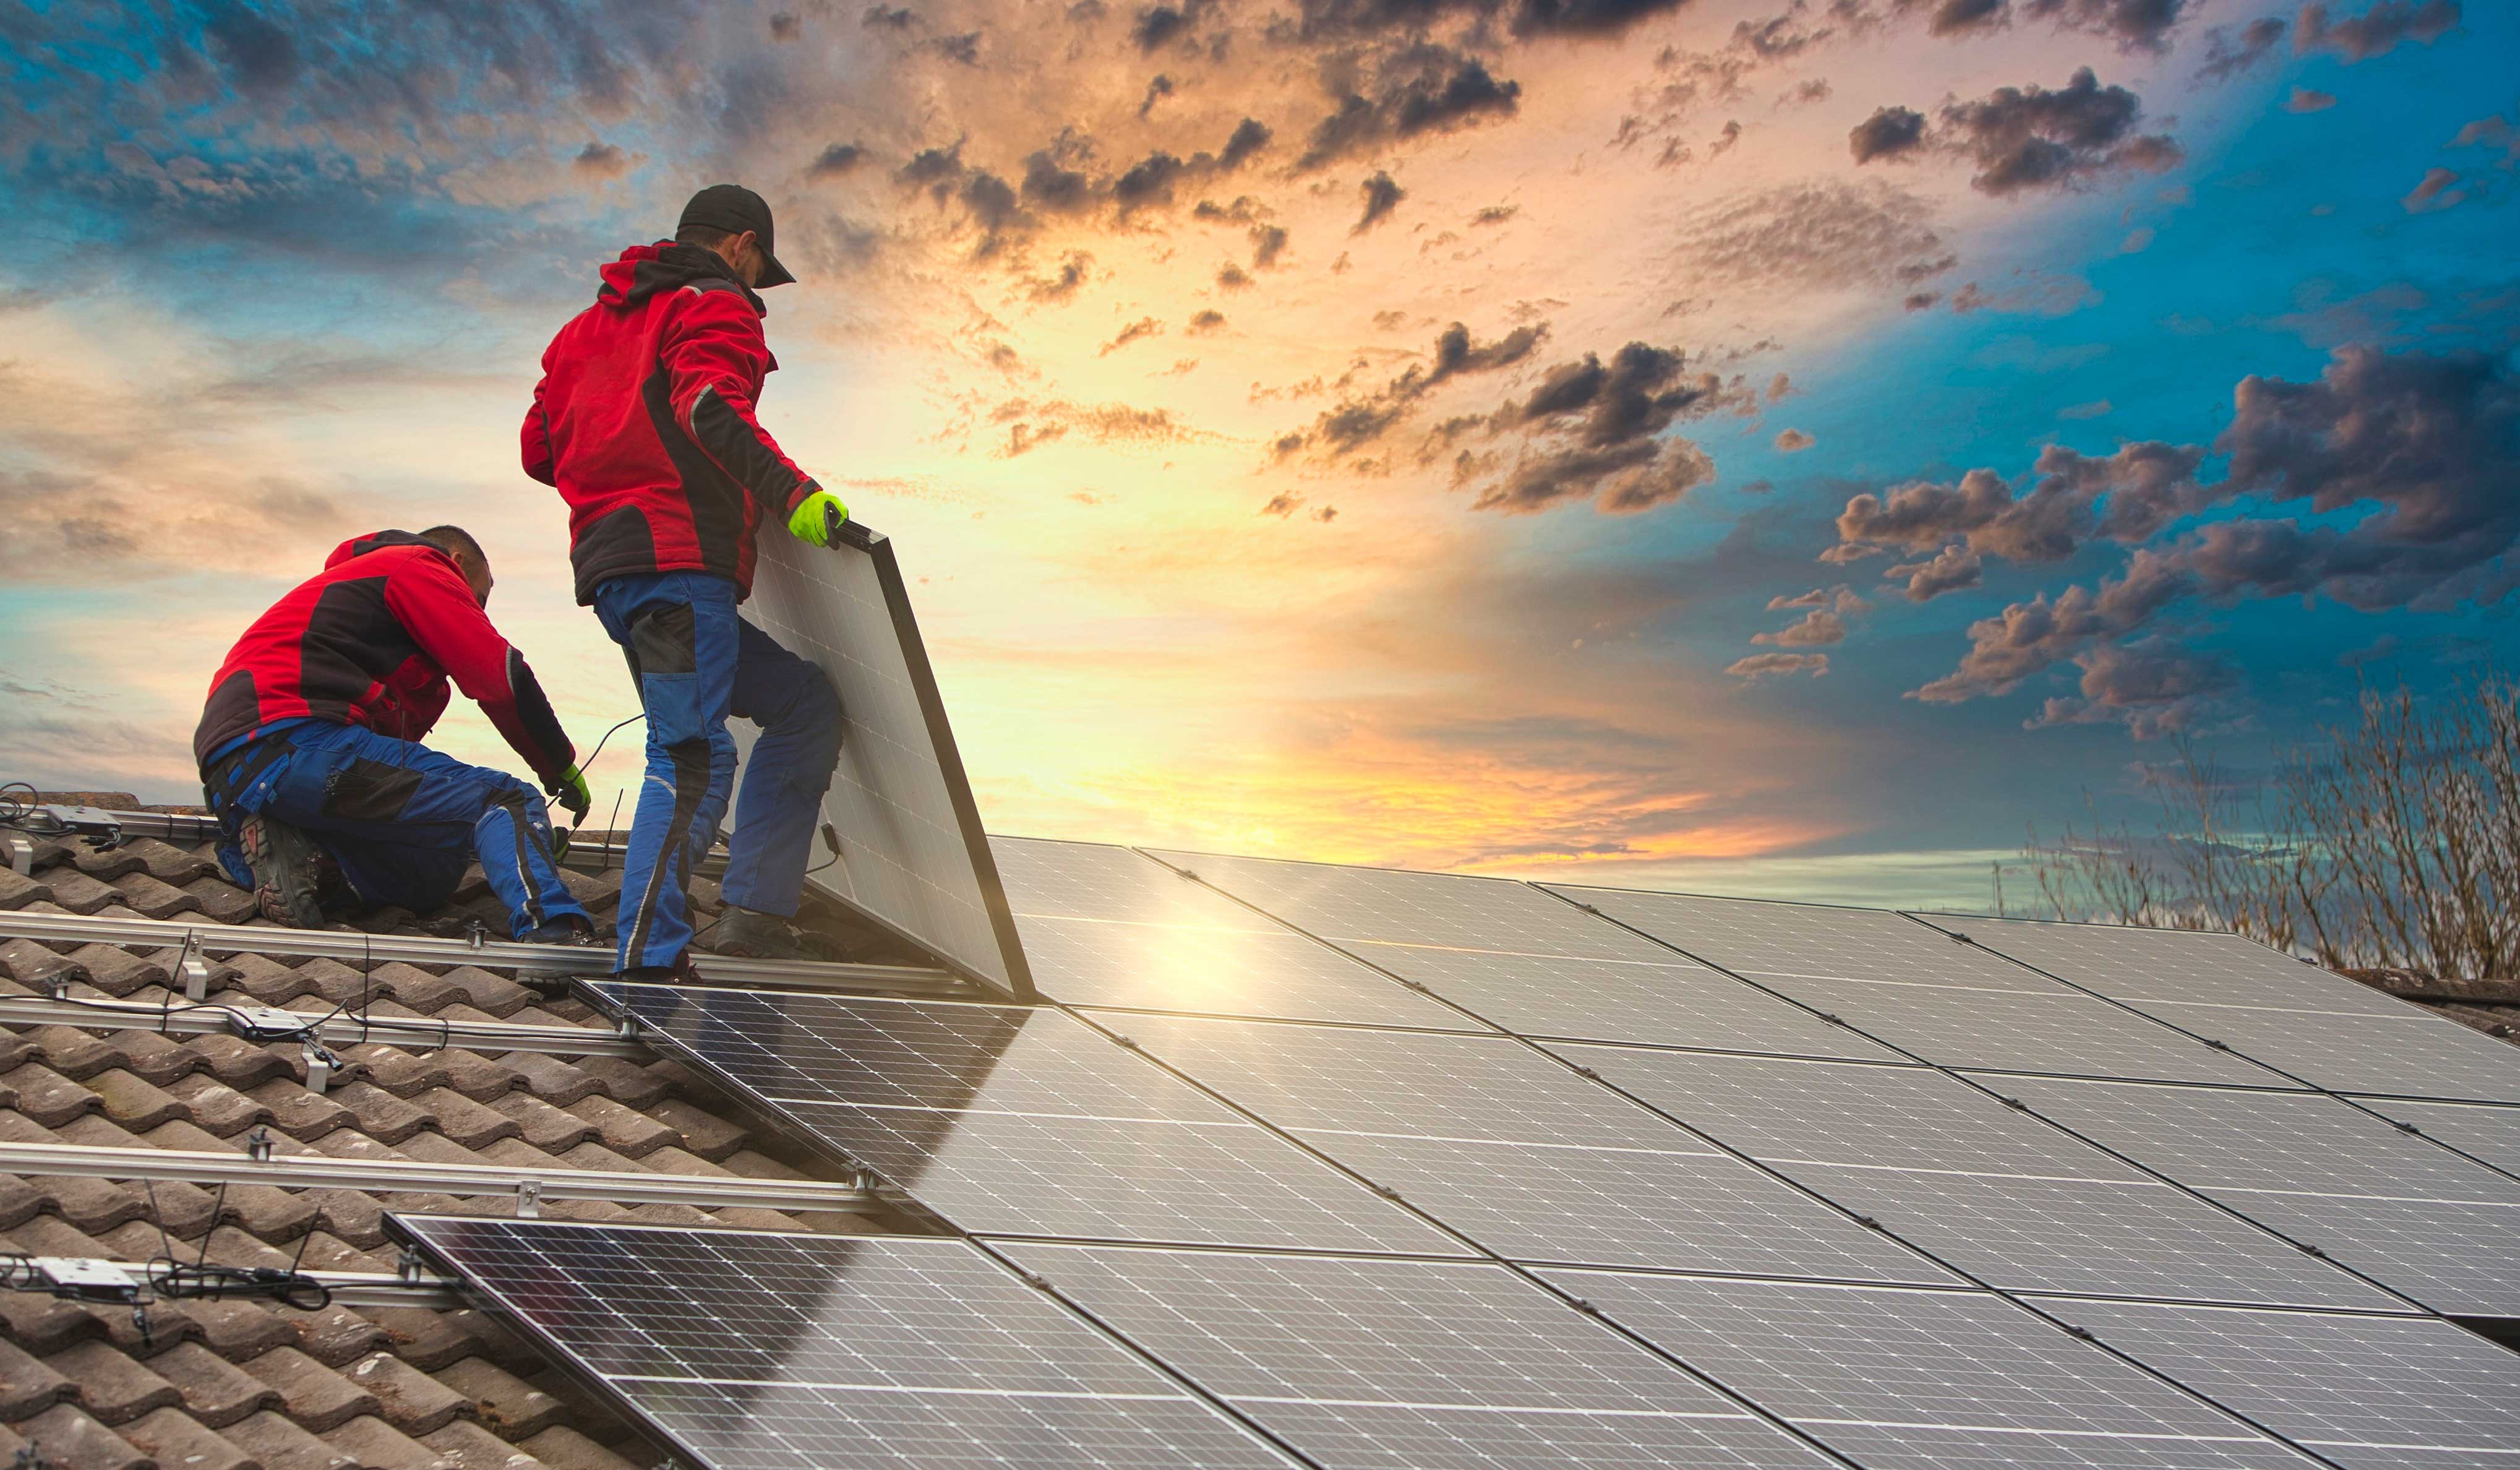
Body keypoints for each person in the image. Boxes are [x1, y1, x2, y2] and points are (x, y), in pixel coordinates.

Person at [522, 183, 848, 979]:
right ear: (742, 246)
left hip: (616, 574)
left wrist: (619, 452)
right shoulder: (715, 301)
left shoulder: (582, 331)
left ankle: (756, 915)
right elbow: (709, 405)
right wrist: (794, 496)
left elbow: (540, 449)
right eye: (759, 267)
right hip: (677, 563)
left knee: (804, 703)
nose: (756, 284)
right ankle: (647, 955)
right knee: (694, 757)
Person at [194, 527, 594, 941]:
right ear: (456, 562)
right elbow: (501, 680)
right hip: (295, 738)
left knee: (430, 874)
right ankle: (553, 931)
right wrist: (557, 767)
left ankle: (310, 863)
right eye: (480, 598)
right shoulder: (416, 566)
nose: (479, 611)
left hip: (237, 773)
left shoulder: (357, 605)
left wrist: (522, 847)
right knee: (507, 801)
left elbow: (393, 783)